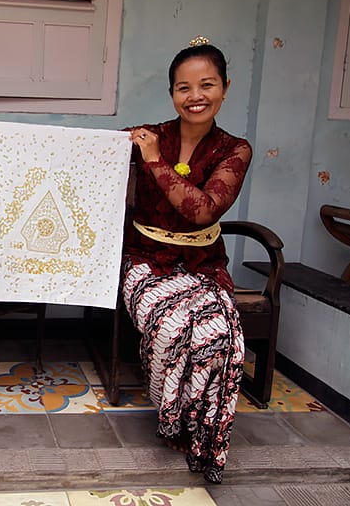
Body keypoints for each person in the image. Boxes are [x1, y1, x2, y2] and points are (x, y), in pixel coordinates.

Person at [123, 37, 252, 483]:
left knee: (221, 334)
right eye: (184, 87)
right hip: (144, 260)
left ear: (225, 89)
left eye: (207, 85)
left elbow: (203, 210)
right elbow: (79, 150)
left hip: (203, 266)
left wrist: (154, 162)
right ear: (172, 93)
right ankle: (173, 419)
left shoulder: (235, 149)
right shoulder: (148, 136)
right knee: (174, 325)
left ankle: (202, 432)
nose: (195, 96)